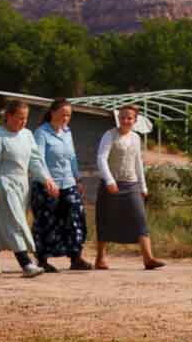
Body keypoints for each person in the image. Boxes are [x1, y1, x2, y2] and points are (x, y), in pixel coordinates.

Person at [0, 99, 57, 277]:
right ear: (8, 116)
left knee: (2, 225)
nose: (23, 122)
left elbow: (35, 160)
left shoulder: (27, 135)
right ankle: (26, 264)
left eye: (25, 118)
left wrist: (46, 179)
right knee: (15, 223)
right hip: (3, 184)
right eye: (19, 118)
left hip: (22, 185)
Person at [95, 105, 164, 270]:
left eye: (129, 118)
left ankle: (148, 258)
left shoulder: (136, 138)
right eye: (123, 117)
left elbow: (138, 162)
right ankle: (100, 258)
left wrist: (143, 186)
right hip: (111, 184)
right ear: (119, 118)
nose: (126, 121)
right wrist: (109, 180)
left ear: (135, 120)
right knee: (105, 219)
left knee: (140, 218)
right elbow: (101, 158)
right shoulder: (109, 135)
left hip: (131, 184)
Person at [31, 98, 91, 272]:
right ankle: (42, 259)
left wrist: (77, 179)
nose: (65, 118)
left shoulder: (67, 132)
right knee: (47, 221)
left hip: (68, 182)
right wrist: (47, 180)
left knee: (76, 216)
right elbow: (38, 159)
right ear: (52, 112)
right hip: (47, 184)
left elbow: (71, 158)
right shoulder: (41, 133)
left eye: (69, 115)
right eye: (62, 114)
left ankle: (75, 256)